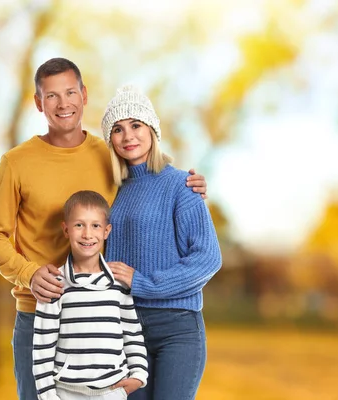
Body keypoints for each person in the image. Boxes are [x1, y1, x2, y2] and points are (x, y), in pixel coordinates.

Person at [0, 57, 207, 400]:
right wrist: (27, 273)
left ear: (84, 95)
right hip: (40, 314)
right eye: (52, 96)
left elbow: (151, 184)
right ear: (39, 103)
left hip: (101, 315)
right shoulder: (16, 162)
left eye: (70, 92)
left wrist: (192, 187)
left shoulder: (108, 154)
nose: (63, 103)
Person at [101, 86, 222, 400]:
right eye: (117, 129)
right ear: (110, 140)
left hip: (177, 329)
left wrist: (142, 282)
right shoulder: (110, 193)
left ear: (152, 130)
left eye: (136, 125)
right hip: (124, 330)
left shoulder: (182, 185)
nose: (128, 135)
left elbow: (208, 258)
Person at [33, 190, 147, 400]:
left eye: (95, 225)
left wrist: (139, 374)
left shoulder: (119, 284)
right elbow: (43, 344)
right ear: (66, 229)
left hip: (113, 391)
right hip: (65, 392)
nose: (87, 234)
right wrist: (47, 394)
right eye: (79, 225)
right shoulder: (54, 284)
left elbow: (132, 333)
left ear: (106, 231)